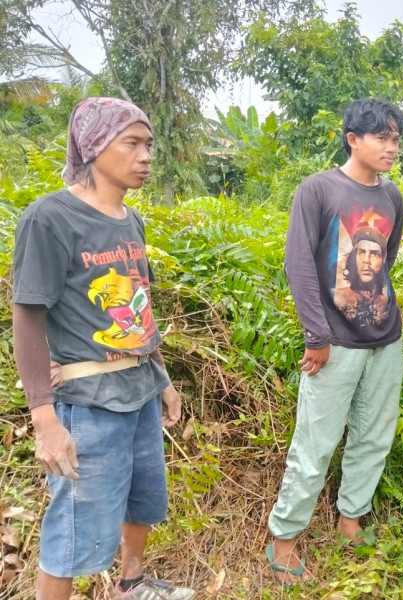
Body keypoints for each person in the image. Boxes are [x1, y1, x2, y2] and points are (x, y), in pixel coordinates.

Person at [12, 98, 195, 600]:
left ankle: (131, 584)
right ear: (94, 147)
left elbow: (141, 308)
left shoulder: (130, 220)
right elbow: (28, 317)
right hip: (87, 400)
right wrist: (44, 419)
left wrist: (164, 378)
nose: (146, 156)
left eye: (149, 145)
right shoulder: (50, 219)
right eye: (131, 144)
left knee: (143, 501)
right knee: (74, 528)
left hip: (138, 388)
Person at [266, 98, 403, 586]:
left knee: (373, 435)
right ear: (352, 139)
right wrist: (317, 334)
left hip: (385, 338)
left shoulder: (392, 197)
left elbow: (389, 258)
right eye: (381, 138)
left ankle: (351, 517)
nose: (391, 148)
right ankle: (283, 538)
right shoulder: (319, 190)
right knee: (315, 443)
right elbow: (299, 265)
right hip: (334, 342)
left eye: (395, 139)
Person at [333, 226, 390, 326]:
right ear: (354, 258)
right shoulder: (337, 297)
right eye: (362, 252)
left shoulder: (384, 302)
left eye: (374, 254)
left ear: (382, 261)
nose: (366, 260)